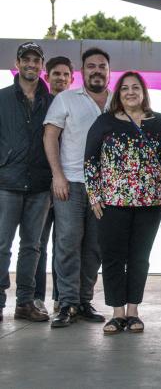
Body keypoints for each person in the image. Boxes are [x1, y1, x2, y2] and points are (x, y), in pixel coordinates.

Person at [85, 71, 161, 334]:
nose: (130, 92)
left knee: (139, 258)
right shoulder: (105, 122)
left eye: (135, 87)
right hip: (112, 203)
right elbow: (90, 160)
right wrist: (94, 196)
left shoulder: (160, 122)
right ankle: (117, 313)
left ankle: (133, 312)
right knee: (112, 257)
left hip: (150, 203)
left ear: (143, 92)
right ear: (118, 94)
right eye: (125, 88)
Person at [44, 47, 112, 328]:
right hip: (70, 183)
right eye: (91, 66)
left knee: (95, 247)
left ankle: (84, 301)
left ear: (109, 71)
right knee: (68, 243)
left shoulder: (117, 102)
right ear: (82, 72)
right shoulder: (66, 99)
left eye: (102, 66)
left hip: (105, 187)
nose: (97, 70)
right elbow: (50, 136)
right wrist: (57, 176)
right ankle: (67, 303)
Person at [0, 42, 52, 323]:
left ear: (41, 65)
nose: (31, 64)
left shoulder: (51, 101)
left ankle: (24, 303)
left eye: (36, 60)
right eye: (26, 59)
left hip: (40, 184)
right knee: (1, 245)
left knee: (32, 246)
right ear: (17, 63)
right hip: (7, 182)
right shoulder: (3, 98)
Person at [34, 56, 75, 315]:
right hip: (39, 186)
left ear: (72, 78)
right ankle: (36, 297)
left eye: (65, 74)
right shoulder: (39, 106)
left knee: (64, 244)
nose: (61, 78)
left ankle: (62, 298)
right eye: (56, 74)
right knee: (37, 243)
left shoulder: (74, 105)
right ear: (46, 77)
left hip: (68, 186)